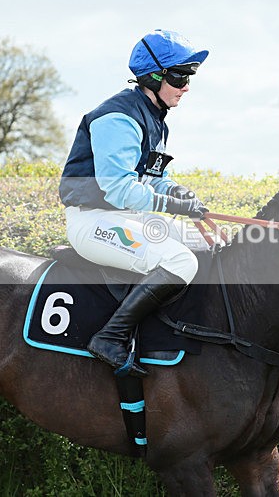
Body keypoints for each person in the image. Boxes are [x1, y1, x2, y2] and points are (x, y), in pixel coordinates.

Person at [59, 30, 210, 377]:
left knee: (207, 241)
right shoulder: (118, 118)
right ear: (154, 77)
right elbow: (117, 189)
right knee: (180, 261)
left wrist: (177, 192)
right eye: (180, 76)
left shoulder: (154, 117)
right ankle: (110, 337)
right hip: (94, 221)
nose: (186, 86)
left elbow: (153, 177)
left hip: (129, 218)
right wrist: (170, 205)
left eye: (189, 76)